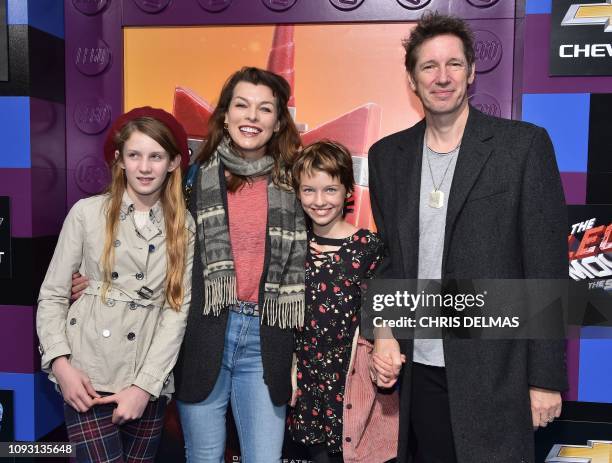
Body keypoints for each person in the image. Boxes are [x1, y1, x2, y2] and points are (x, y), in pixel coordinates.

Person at [368, 13, 568, 463]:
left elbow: (546, 268)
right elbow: (391, 262)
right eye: (429, 67)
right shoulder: (388, 157)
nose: (442, 78)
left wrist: (545, 379)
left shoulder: (523, 147)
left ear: (472, 71)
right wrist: (383, 330)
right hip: (418, 372)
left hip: (498, 372)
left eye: (454, 64)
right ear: (412, 79)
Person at [36, 107, 195, 463]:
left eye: (156, 156)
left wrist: (143, 387)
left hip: (145, 378)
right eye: (135, 155)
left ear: (172, 163)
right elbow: (53, 295)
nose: (144, 167)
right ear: (119, 159)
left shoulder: (184, 228)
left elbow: (176, 314)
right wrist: (61, 367)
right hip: (87, 375)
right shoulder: (87, 213)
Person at [172, 67, 305, 463]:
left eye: (264, 109)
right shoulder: (192, 179)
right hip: (204, 332)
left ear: (279, 121)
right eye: (241, 106)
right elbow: (151, 243)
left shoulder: (297, 183)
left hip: (268, 339)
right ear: (225, 115)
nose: (252, 117)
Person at [288, 141, 399, 463]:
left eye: (330, 190)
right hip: (307, 382)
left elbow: (384, 310)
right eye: (309, 190)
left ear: (349, 191)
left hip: (351, 383)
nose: (319, 201)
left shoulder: (368, 247)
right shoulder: (292, 248)